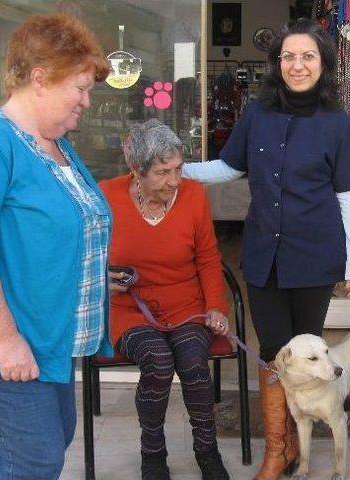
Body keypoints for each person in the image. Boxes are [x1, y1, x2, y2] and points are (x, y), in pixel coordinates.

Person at [182, 18, 350, 480]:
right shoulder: (257, 114)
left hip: (315, 257)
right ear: (277, 63)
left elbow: (348, 197)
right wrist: (177, 169)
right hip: (264, 254)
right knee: (272, 353)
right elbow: (228, 167)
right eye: (289, 56)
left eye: (307, 56)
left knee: (307, 351)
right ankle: (278, 451)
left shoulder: (338, 124)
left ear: (322, 64)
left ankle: (297, 444)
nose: (297, 64)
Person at [0, 13, 113, 480]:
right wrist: (3, 338)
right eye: (79, 88)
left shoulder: (55, 143)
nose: (86, 101)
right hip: (8, 352)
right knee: (30, 464)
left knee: (49, 448)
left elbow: (59, 230)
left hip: (50, 347)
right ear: (40, 78)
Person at [100, 120, 231, 480]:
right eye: (162, 172)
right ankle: (153, 453)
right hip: (129, 310)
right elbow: (85, 252)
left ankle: (207, 451)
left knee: (192, 362)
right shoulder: (107, 195)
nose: (174, 181)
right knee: (158, 361)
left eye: (177, 169)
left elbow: (207, 257)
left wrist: (215, 306)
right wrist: (101, 279)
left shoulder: (193, 196)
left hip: (188, 307)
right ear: (136, 171)